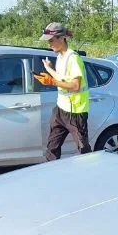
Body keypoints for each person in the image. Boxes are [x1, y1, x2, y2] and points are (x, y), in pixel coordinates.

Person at [37, 22, 91, 161]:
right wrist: (49, 70)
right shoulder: (60, 57)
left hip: (76, 112)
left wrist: (51, 81)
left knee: (83, 150)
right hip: (60, 109)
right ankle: (52, 174)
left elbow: (75, 85)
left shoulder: (73, 58)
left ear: (61, 38)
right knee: (52, 148)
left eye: (51, 41)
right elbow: (62, 79)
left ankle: (89, 175)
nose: (49, 44)